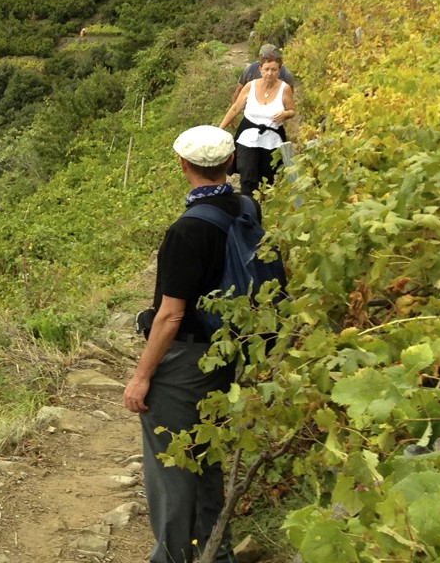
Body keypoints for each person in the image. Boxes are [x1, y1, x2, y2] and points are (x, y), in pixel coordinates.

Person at [124, 126, 242, 563]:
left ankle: (171, 557)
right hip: (226, 351)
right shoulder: (244, 206)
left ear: (183, 165)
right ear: (229, 164)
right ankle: (214, 550)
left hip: (186, 358)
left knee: (170, 462)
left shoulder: (187, 230)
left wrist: (142, 376)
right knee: (205, 451)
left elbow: (171, 315)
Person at [220, 58, 295, 196]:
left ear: (279, 71)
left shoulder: (285, 89)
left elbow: (292, 110)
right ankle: (247, 209)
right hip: (248, 137)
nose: (269, 73)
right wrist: (220, 129)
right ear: (260, 69)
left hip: (272, 139)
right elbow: (235, 108)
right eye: (266, 69)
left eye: (274, 69)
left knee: (267, 178)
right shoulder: (250, 86)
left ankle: (263, 209)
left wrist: (284, 114)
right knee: (247, 175)